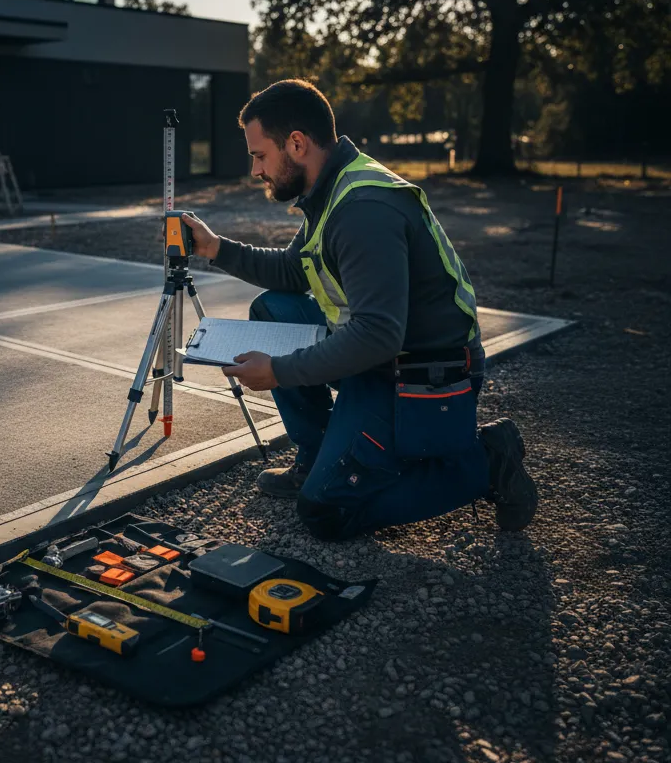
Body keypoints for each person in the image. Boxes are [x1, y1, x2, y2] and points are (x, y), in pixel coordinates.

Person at [182, 79, 538, 540]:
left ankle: (488, 459)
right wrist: (215, 249)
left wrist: (280, 371)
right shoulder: (331, 189)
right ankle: (317, 455)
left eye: (259, 155)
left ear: (297, 143)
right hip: (377, 358)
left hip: (419, 372)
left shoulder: (364, 207)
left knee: (326, 512)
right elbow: (295, 271)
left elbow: (377, 334)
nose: (255, 170)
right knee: (274, 309)